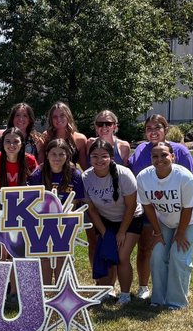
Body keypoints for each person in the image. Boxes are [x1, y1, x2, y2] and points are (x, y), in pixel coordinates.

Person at [130, 113, 193, 302]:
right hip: (153, 210)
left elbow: (190, 189)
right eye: (148, 128)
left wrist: (181, 229)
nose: (153, 132)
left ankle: (177, 291)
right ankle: (149, 290)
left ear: (165, 129)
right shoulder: (141, 151)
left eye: (157, 128)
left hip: (182, 209)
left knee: (177, 253)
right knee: (151, 250)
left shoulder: (180, 151)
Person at [137, 141, 193, 310]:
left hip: (190, 219)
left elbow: (188, 208)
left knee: (178, 255)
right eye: (155, 156)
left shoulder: (184, 177)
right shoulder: (144, 177)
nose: (159, 159)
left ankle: (176, 301)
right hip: (166, 220)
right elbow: (147, 206)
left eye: (164, 155)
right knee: (158, 254)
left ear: (173, 157)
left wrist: (181, 233)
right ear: (150, 158)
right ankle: (158, 298)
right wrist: (157, 231)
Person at [82, 138, 143, 306]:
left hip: (130, 219)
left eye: (104, 156)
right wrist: (104, 233)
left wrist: (121, 232)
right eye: (95, 156)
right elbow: (91, 209)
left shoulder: (124, 174)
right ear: (89, 158)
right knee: (106, 253)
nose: (99, 160)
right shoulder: (86, 177)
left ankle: (125, 295)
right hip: (105, 221)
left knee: (122, 257)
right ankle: (106, 291)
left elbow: (131, 207)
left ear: (111, 157)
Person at [28, 138, 86, 284]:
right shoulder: (38, 174)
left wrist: (61, 222)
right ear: (47, 155)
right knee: (44, 256)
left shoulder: (75, 175)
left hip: (66, 221)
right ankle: (46, 289)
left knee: (61, 255)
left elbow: (74, 202)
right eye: (54, 154)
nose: (57, 158)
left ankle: (60, 288)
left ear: (67, 155)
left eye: (61, 154)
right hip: (42, 222)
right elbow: (33, 201)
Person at [44, 101, 89, 168]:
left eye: (62, 115)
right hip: (50, 177)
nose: (58, 119)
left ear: (68, 116)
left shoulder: (80, 139)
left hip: (71, 177)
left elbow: (85, 167)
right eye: (55, 117)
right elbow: (41, 164)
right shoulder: (46, 137)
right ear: (51, 120)